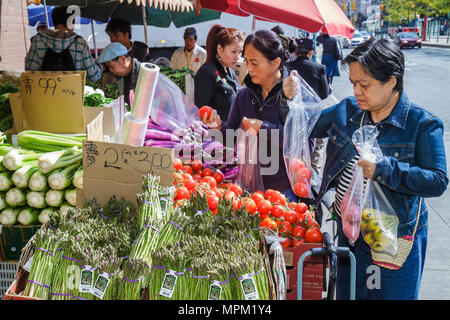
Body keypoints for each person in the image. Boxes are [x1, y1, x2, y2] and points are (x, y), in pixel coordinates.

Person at [295, 39, 448, 299]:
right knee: (349, 293)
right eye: (353, 83)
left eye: (364, 84)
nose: (356, 91)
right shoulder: (349, 111)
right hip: (350, 232)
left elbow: (437, 181)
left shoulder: (422, 123)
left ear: (391, 81)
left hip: (391, 236)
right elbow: (307, 124)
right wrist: (292, 97)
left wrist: (385, 169)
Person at [200, 30, 300, 203]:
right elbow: (230, 138)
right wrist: (217, 126)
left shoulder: (292, 94)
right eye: (246, 61)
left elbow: (301, 142)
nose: (249, 69)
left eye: (254, 63)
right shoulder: (244, 95)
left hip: (284, 191)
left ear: (275, 62)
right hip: (249, 188)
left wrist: (263, 128)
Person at [287, 37, 329, 175]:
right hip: (314, 118)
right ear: (311, 52)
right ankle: (313, 186)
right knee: (315, 156)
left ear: (296, 52)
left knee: (293, 156)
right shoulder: (319, 68)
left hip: (291, 118)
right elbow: (324, 94)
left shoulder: (288, 67)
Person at [25, 6, 102, 81]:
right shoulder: (79, 43)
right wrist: (101, 67)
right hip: (72, 92)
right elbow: (93, 75)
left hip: (45, 90)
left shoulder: (38, 40)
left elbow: (30, 72)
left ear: (54, 20)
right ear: (71, 21)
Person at [194, 24, 244, 121]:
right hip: (215, 134)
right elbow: (201, 112)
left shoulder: (230, 71)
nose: (238, 57)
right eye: (233, 52)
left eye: (240, 52)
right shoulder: (207, 72)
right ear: (220, 49)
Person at [97, 42, 141, 106]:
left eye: (111, 66)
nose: (110, 70)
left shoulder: (144, 75)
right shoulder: (127, 74)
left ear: (123, 60)